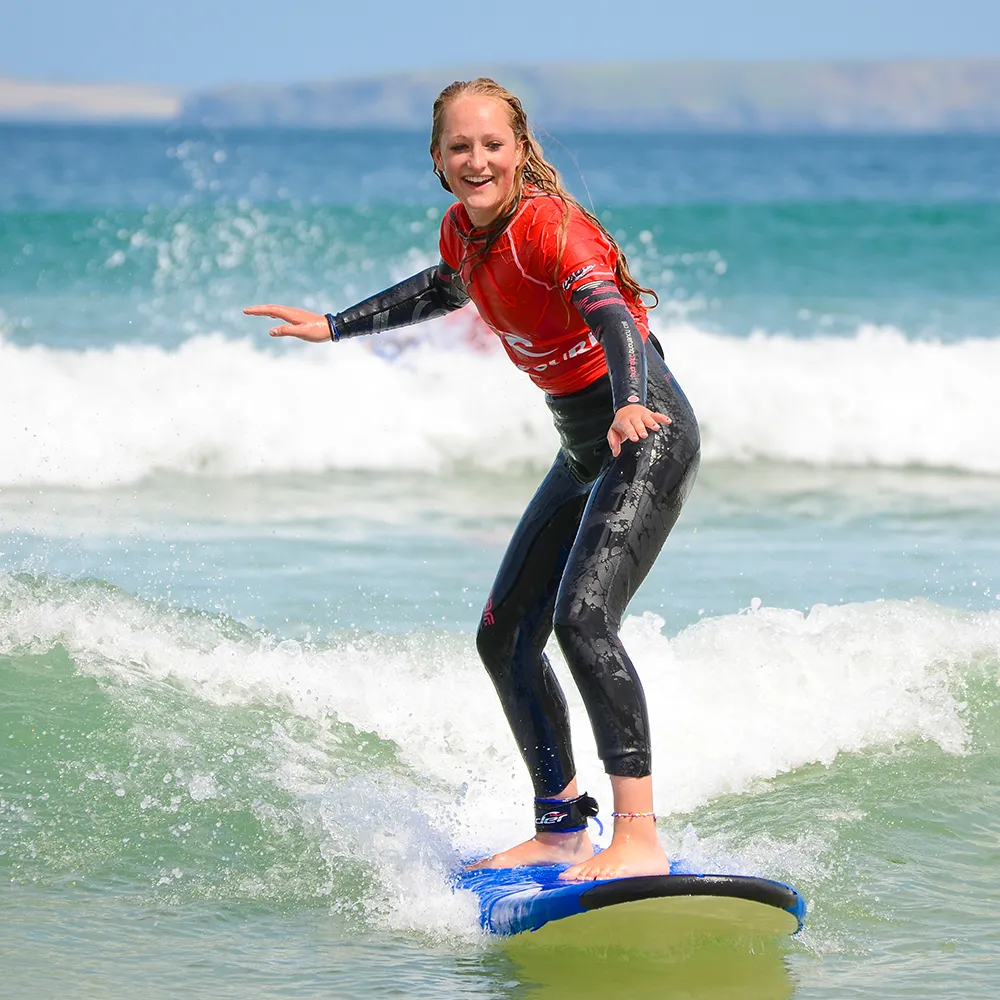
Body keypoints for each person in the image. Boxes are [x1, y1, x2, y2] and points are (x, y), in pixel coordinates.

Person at [245, 78, 700, 881]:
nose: (477, 159)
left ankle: (638, 838)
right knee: (505, 635)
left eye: (493, 144)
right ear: (437, 159)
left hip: (645, 432)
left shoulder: (554, 230)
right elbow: (444, 284)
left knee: (584, 619)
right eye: (460, 147)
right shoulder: (466, 230)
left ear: (521, 149)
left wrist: (630, 401)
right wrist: (336, 324)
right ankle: (561, 828)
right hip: (585, 446)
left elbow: (614, 318)